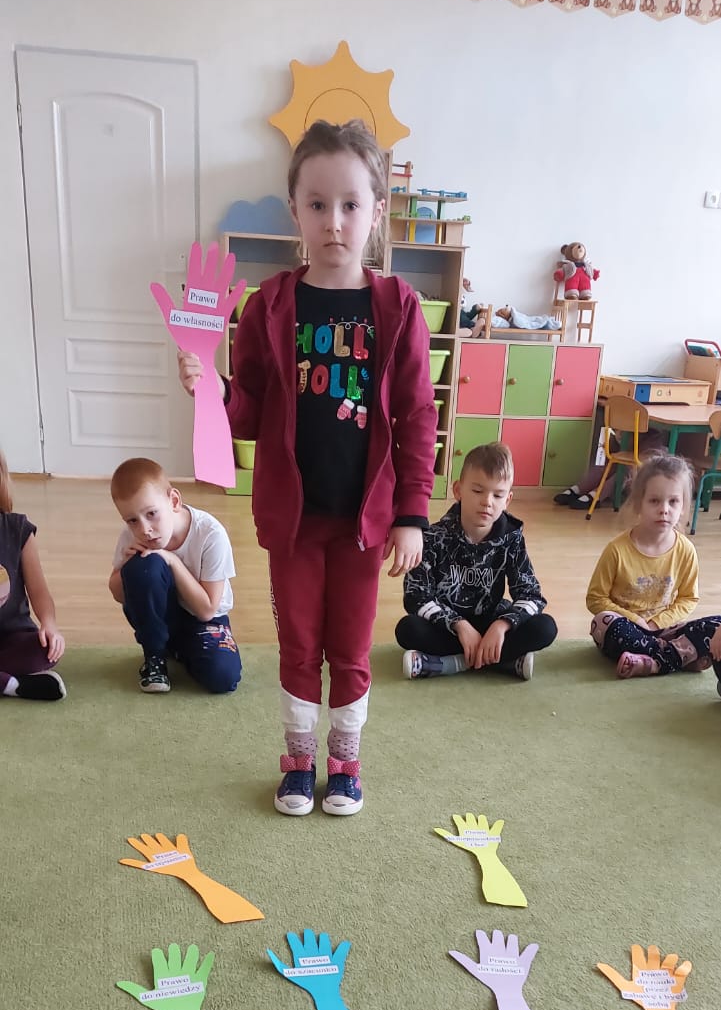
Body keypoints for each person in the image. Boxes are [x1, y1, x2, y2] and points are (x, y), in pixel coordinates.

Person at [177, 119, 436, 817]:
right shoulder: (270, 306)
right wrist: (214, 392)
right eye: (318, 204)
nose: (334, 221)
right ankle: (298, 759)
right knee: (298, 644)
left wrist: (412, 514)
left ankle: (344, 762)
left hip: (363, 523)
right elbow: (251, 410)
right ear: (295, 210)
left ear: (376, 211)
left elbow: (417, 416)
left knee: (350, 647)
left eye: (350, 204)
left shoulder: (398, 306)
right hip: (293, 522)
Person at [395, 442, 557, 681]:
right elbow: (415, 596)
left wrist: (502, 625)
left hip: (491, 621)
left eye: (498, 495)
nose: (487, 502)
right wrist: (458, 625)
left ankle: (449, 663)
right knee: (408, 629)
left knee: (545, 627)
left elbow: (531, 595)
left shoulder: (511, 537)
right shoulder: (432, 537)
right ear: (458, 490)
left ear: (508, 499)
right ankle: (502, 662)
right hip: (448, 627)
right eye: (478, 491)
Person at [108, 458, 241, 695]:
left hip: (205, 620)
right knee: (143, 566)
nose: (144, 529)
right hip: (163, 614)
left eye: (152, 513)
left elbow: (207, 610)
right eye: (132, 520)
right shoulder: (132, 535)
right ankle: (155, 655)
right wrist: (128, 567)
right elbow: (119, 595)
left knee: (223, 677)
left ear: (174, 501)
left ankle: (177, 647)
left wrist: (171, 560)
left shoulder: (211, 534)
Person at [586, 452, 721, 677]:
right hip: (628, 628)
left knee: (717, 625)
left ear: (683, 506)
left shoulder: (685, 549)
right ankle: (679, 657)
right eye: (654, 501)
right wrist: (637, 620)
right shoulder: (617, 550)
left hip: (668, 629)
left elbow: (688, 599)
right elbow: (595, 598)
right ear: (639, 503)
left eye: (673, 501)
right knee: (603, 623)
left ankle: (654, 662)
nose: (664, 509)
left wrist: (657, 622)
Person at [0, 450, 66, 701]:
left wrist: (50, 625)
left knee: (45, 649)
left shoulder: (18, 529)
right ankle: (13, 685)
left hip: (13, 636)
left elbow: (39, 592)